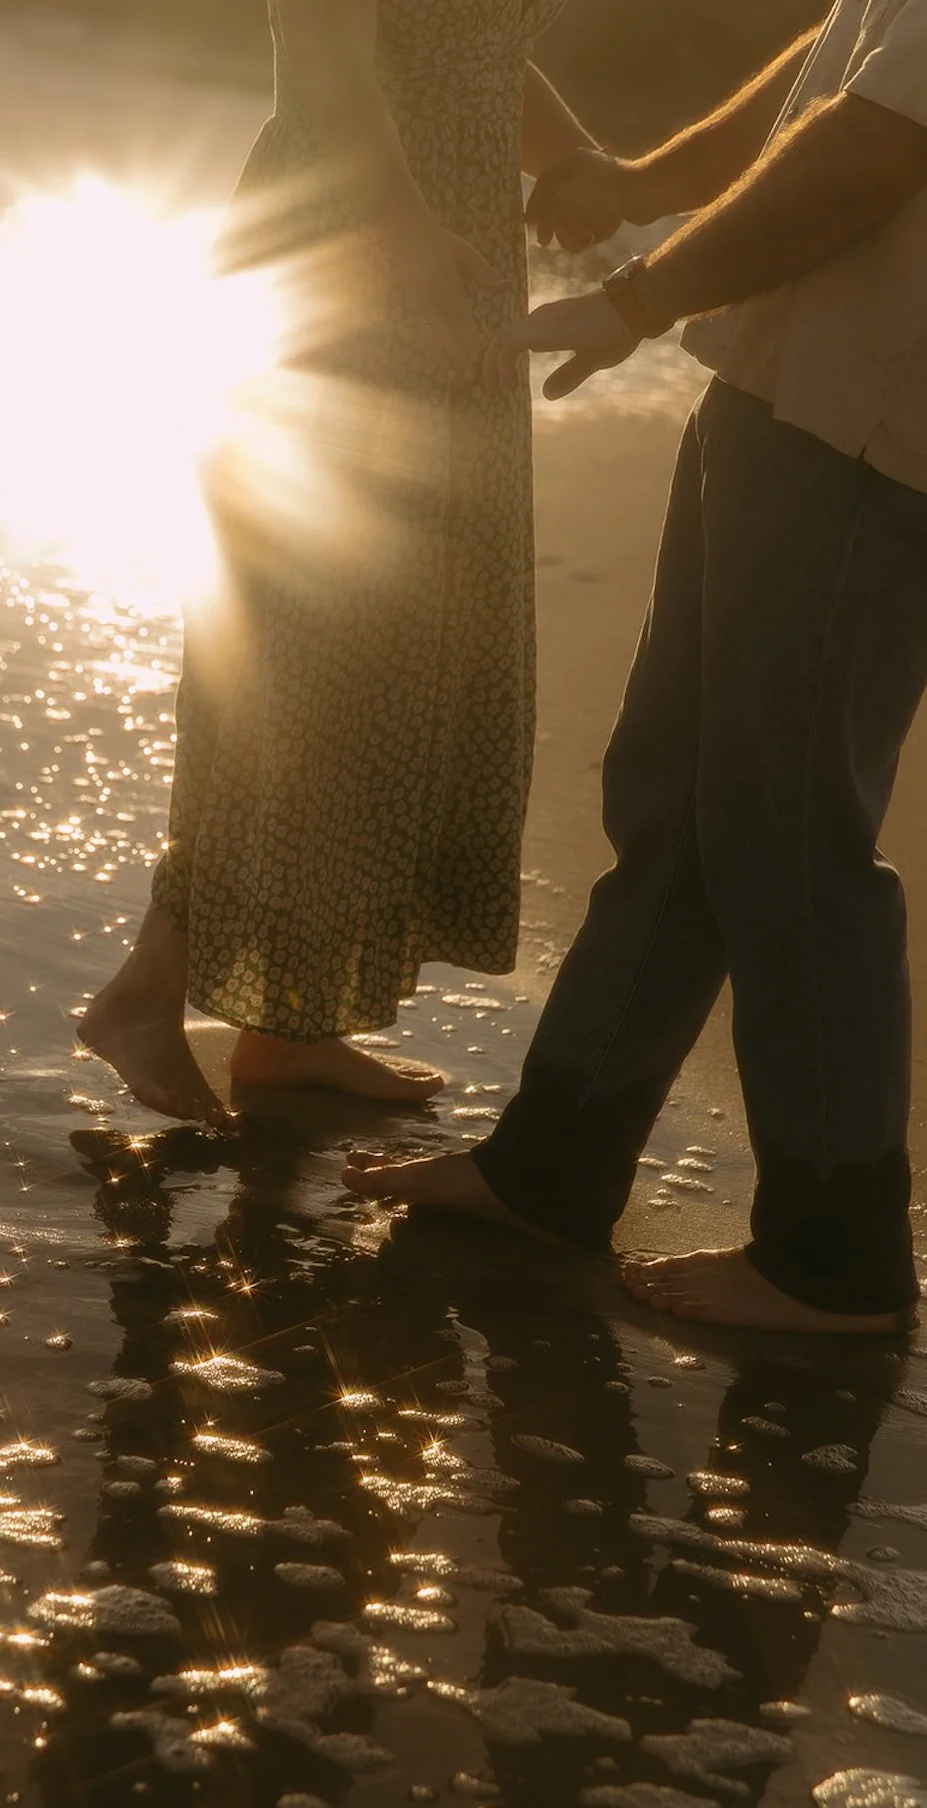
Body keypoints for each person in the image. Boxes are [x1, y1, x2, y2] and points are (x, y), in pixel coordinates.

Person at [346, 1, 927, 1335]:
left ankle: (835, 1254)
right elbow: (841, 62)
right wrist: (644, 185)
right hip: (783, 384)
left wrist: (641, 294)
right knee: (677, 798)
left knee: (786, 829)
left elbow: (875, 148)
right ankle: (556, 1165)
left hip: (868, 417)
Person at [80, 0, 595, 1126]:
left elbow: (462, 46)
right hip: (356, 237)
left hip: (437, 235)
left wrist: (574, 161)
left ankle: (286, 1026)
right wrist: (401, 230)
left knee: (393, 643)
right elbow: (319, 37)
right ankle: (147, 988)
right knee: (302, 649)